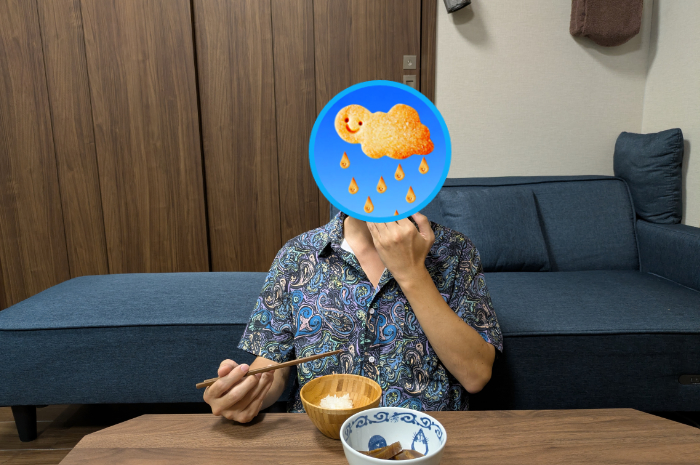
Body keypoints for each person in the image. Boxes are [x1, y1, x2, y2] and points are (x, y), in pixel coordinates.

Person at [203, 212, 502, 423]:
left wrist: (412, 273)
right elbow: (273, 366)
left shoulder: (456, 251)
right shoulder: (296, 255)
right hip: (322, 441)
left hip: (423, 444)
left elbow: (476, 375)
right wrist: (246, 392)